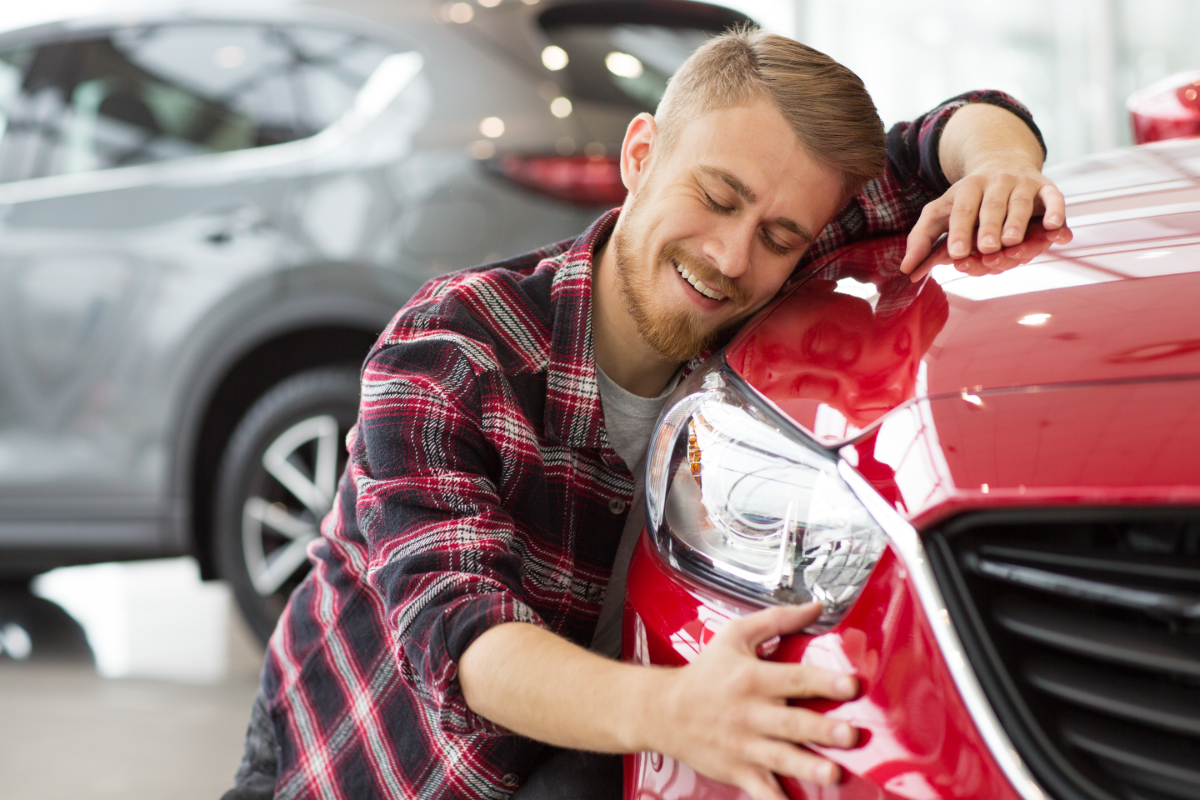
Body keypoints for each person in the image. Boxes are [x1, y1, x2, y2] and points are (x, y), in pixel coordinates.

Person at [225, 27, 1069, 800]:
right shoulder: (451, 348)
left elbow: (956, 128)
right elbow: (466, 644)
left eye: (780, 238)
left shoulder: (776, 242)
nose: (732, 255)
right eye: (715, 196)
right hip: (357, 759)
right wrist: (680, 710)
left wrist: (1001, 168)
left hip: (578, 757)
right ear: (641, 155)